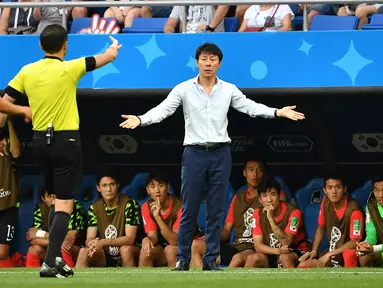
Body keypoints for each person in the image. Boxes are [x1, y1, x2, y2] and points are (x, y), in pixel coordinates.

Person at [119, 42, 305, 271]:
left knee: (216, 209)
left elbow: (250, 107)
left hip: (220, 153)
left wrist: (278, 112)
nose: (208, 63)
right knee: (190, 207)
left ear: (219, 63)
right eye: (204, 59)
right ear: (197, 62)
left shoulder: (228, 89)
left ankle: (210, 261)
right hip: (194, 153)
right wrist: (140, 119)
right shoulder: (184, 88)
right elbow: (163, 110)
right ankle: (183, 259)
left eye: (213, 59)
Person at [0, 24, 122, 277]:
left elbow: (3, 102)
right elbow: (109, 57)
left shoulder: (27, 70)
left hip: (40, 144)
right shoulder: (70, 67)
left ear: (40, 45)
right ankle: (50, 262)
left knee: (56, 198)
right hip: (65, 142)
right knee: (65, 204)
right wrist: (113, 47)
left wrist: (23, 111)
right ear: (65, 45)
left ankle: (56, 259)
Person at [192, 158, 287, 268]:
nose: (255, 174)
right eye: (251, 170)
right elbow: (226, 231)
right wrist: (214, 236)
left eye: (259, 170)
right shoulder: (237, 198)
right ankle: (203, 282)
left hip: (257, 248)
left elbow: (282, 217)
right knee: (196, 245)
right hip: (236, 247)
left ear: (264, 173)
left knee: (239, 258)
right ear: (244, 172)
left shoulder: (270, 197)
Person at [75, 169, 142, 268]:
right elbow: (89, 237)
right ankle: (77, 283)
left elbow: (130, 239)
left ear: (118, 185)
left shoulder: (129, 204)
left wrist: (103, 242)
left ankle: (131, 281)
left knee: (125, 250)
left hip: (131, 250)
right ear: (98, 188)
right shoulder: (94, 207)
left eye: (112, 184)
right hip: (105, 254)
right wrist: (92, 243)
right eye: (104, 185)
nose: (109, 189)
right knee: (83, 251)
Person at [298, 174, 364, 268]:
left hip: (351, 253)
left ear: (345, 189)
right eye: (330, 188)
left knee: (349, 254)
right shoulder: (325, 201)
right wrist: (314, 251)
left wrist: (330, 254)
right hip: (333, 252)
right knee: (303, 266)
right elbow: (321, 227)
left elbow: (355, 241)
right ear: (325, 190)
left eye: (338, 187)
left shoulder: (354, 209)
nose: (334, 192)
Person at [245, 178, 310, 268]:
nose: (269, 200)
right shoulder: (257, 213)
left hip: (295, 251)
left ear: (279, 196)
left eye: (273, 194)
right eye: (264, 196)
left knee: (285, 258)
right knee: (253, 258)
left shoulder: (294, 213)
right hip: (273, 252)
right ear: (260, 199)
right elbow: (258, 246)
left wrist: (271, 220)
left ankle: (293, 281)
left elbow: (286, 243)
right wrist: (277, 251)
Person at [26, 189, 84, 268]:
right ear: (43, 199)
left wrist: (43, 234)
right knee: (33, 249)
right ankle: (33, 278)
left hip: (73, 247)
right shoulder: (39, 208)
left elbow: (69, 239)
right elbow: (33, 239)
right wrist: (57, 243)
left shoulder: (73, 205)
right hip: (53, 246)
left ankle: (67, 276)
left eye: (56, 197)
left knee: (64, 248)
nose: (54, 201)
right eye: (49, 197)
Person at [139, 172, 182, 268]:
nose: (157, 191)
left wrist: (158, 217)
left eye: (161, 186)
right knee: (146, 251)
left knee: (170, 250)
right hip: (161, 249)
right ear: (148, 190)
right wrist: (147, 240)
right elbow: (153, 238)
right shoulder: (146, 207)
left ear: (168, 187)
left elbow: (174, 241)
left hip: (182, 249)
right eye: (152, 187)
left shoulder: (179, 206)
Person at [0, 119, 22, 268]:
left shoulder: (6, 142)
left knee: (2, 253)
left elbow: (17, 153)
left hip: (7, 205)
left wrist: (9, 122)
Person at [357, 175, 383, 267]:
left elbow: (374, 249)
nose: (380, 195)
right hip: (380, 252)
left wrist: (374, 248)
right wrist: (366, 245)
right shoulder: (371, 207)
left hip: (378, 249)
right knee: (364, 256)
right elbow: (371, 234)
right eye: (377, 191)